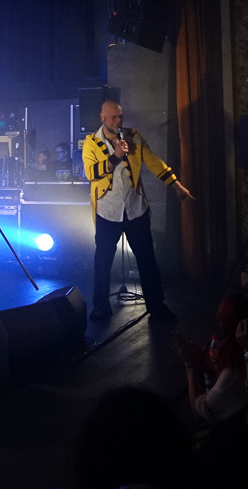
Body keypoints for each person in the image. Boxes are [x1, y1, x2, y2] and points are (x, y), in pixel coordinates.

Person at [82, 99, 193, 322]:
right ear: (102, 118)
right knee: (102, 261)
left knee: (146, 259)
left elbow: (153, 161)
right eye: (113, 117)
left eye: (120, 116)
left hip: (135, 209)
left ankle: (156, 305)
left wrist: (176, 185)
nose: (118, 121)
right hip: (108, 211)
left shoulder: (133, 136)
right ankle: (100, 307)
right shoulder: (92, 143)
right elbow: (91, 174)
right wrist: (116, 156)